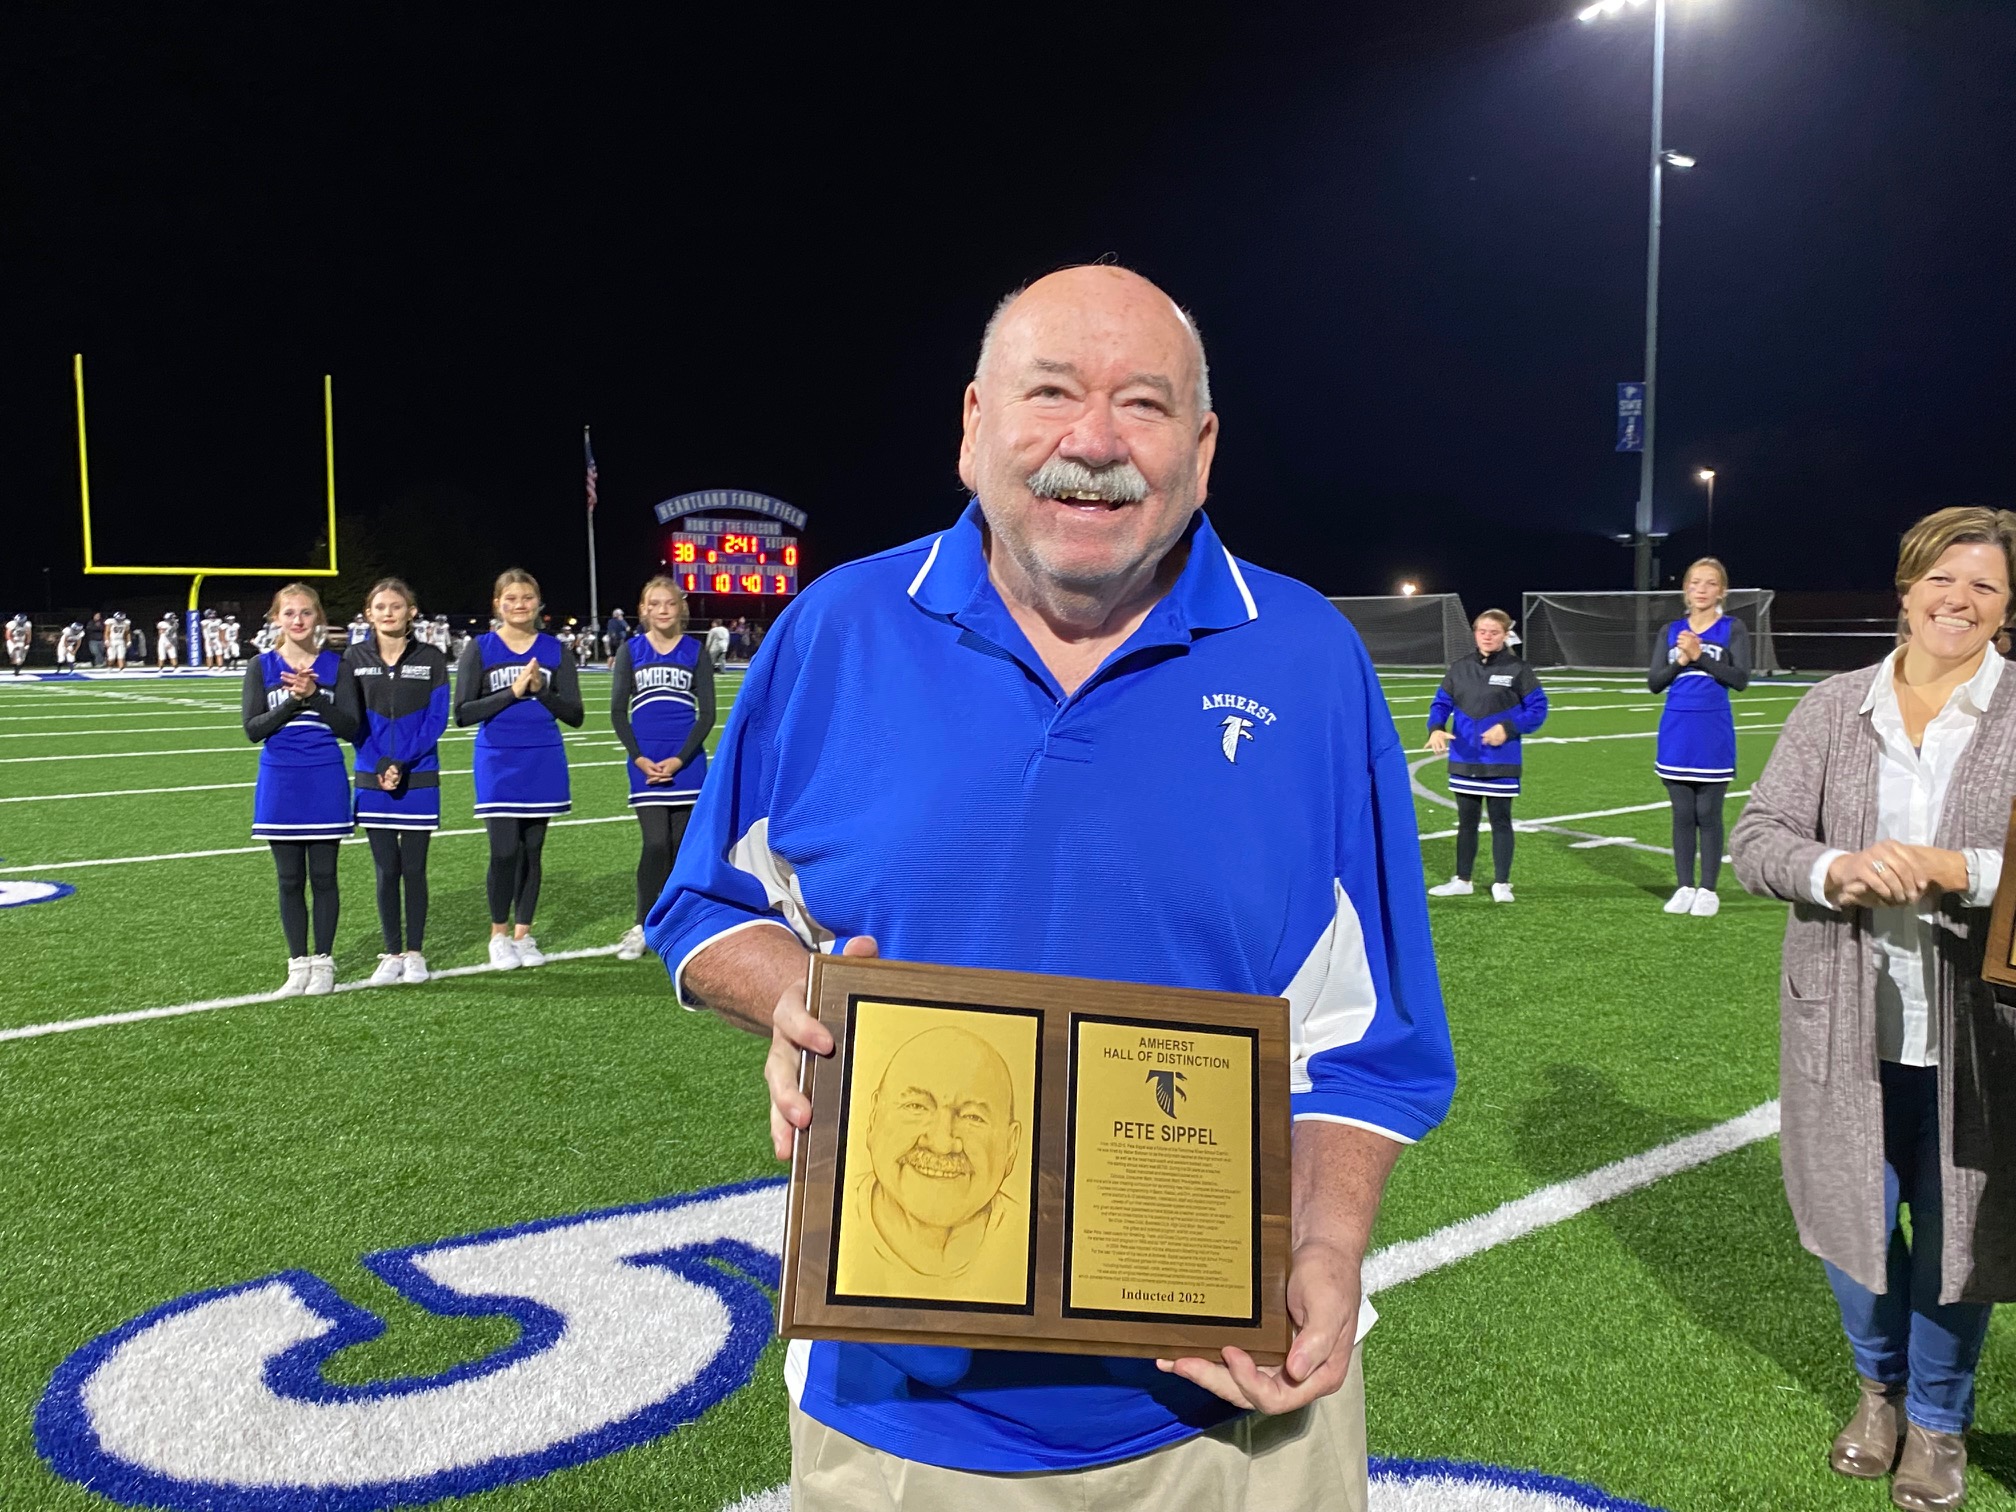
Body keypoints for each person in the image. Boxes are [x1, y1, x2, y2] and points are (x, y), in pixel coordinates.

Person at [647, 265, 1454, 1510]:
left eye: (1142, 403)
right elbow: (702, 907)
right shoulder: (837, 629)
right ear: (974, 427)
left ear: (1203, 445)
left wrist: (1330, 1235)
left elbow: (1375, 1038)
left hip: (1232, 1410)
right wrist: (797, 994)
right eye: (1052, 394)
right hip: (897, 1407)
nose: (1094, 442)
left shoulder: (1308, 659)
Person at [1731, 506, 2016, 1512]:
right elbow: (1757, 838)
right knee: (1852, 1218)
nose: (1960, 601)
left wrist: (1962, 870)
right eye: (1943, 579)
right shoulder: (1833, 708)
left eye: (1985, 586)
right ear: (1906, 590)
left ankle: (1938, 1422)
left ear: (2008, 608)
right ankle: (1877, 1394)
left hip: (1982, 1038)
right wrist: (1833, 868)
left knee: (1957, 1238)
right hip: (1842, 1024)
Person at [456, 568, 583, 970]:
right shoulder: (481, 648)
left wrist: (540, 691)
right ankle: (498, 934)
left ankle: (524, 934)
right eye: (511, 599)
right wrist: (513, 692)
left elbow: (575, 714)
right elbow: (462, 713)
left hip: (542, 756)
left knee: (532, 851)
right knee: (504, 850)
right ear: (498, 604)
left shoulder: (554, 649)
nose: (519, 605)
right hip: (497, 758)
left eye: (527, 598)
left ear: (538, 603)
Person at [244, 583, 360, 998]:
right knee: (289, 878)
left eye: (306, 613)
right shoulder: (261, 667)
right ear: (276, 618)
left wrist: (314, 697)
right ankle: (297, 964)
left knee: (325, 876)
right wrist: (292, 702)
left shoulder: (337, 666)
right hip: (280, 777)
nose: (297, 620)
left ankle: (324, 961)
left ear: (319, 618)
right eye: (289, 613)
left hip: (324, 774)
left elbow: (351, 727)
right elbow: (253, 730)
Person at [346, 577, 450, 986]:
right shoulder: (353, 658)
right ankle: (391, 952)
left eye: (396, 605)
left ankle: (416, 953)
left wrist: (402, 762)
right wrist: (379, 764)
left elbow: (437, 719)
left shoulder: (432, 658)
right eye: (381, 606)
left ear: (411, 611)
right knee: (386, 869)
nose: (389, 612)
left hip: (418, 775)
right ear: (368, 612)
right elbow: (351, 720)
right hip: (373, 777)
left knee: (415, 869)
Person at [610, 576, 715, 962]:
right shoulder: (631, 650)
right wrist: (638, 757)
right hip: (645, 761)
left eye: (670, 603)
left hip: (686, 763)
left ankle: (674, 922)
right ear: (644, 610)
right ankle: (642, 923)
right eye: (655, 604)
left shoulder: (695, 651)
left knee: (680, 848)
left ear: (679, 608)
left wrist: (680, 760)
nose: (663, 610)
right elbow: (618, 711)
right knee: (655, 844)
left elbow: (708, 715)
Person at [1650, 558, 1751, 917]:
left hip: (1712, 728)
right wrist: (1680, 661)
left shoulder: (1732, 628)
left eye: (1710, 584)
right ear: (1686, 590)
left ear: (1721, 591)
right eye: (1695, 583)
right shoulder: (1670, 629)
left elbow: (1740, 679)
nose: (1702, 590)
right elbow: (1654, 683)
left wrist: (1699, 657)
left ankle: (1708, 889)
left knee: (1708, 811)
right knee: (1681, 813)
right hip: (1677, 727)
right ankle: (1683, 887)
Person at [1425, 610, 1548, 903]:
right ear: (1475, 633)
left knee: (1500, 821)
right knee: (1466, 823)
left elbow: (1538, 710)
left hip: (1500, 761)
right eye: (1482, 631)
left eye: (1494, 632)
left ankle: (1502, 883)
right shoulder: (1459, 668)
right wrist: (1436, 729)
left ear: (1506, 635)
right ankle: (1462, 879)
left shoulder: (1519, 669)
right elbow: (1441, 703)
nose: (1488, 637)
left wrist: (1508, 728)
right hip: (1464, 758)